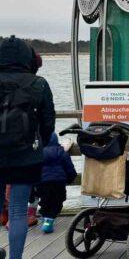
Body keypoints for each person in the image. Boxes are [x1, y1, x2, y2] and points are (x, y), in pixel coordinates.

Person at [0, 36, 55, 259]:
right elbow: (48, 124)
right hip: (25, 156)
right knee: (18, 210)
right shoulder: (39, 84)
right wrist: (38, 144)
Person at [37, 133, 76, 233]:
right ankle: (49, 220)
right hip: (58, 182)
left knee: (44, 201)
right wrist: (70, 179)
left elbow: (34, 169)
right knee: (58, 201)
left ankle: (45, 217)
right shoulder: (61, 152)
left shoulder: (39, 153)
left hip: (42, 182)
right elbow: (70, 169)